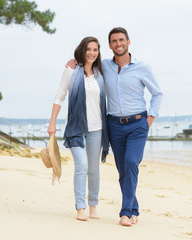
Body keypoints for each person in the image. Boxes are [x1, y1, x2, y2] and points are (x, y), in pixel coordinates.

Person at [67, 27, 163, 226]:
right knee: (123, 170)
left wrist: (150, 119)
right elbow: (86, 64)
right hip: (114, 126)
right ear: (110, 46)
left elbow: (157, 94)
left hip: (138, 124)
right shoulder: (104, 67)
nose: (119, 44)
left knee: (130, 163)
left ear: (128, 41)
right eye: (114, 41)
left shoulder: (142, 67)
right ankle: (134, 208)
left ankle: (125, 212)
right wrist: (73, 62)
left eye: (122, 40)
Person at [48, 36, 109, 221]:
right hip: (75, 127)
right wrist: (52, 123)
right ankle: (80, 208)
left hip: (97, 128)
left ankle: (93, 206)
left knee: (94, 169)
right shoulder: (71, 71)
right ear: (82, 50)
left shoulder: (101, 73)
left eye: (95, 50)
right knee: (81, 166)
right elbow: (60, 96)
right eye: (88, 49)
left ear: (98, 53)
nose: (91, 53)